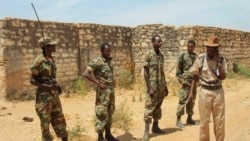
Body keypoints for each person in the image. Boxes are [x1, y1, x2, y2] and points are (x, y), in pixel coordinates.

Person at [189, 35, 227, 141]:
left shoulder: (222, 60)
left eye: (212, 48)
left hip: (218, 92)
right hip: (205, 91)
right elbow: (195, 75)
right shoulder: (201, 59)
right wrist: (191, 92)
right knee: (204, 121)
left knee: (219, 121)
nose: (210, 49)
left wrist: (218, 63)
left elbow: (223, 77)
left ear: (216, 48)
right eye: (208, 47)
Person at [30, 36, 68, 141]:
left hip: (54, 96)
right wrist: (48, 86)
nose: (55, 46)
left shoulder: (51, 59)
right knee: (45, 123)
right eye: (52, 45)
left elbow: (52, 77)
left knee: (60, 119)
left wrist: (58, 86)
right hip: (44, 98)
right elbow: (32, 80)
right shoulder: (39, 61)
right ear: (46, 47)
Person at [83, 43, 119, 141]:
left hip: (111, 92)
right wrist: (98, 83)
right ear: (102, 51)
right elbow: (86, 73)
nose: (109, 52)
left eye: (110, 50)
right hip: (102, 93)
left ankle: (108, 134)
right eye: (107, 51)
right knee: (101, 113)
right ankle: (100, 137)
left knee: (110, 112)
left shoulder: (109, 61)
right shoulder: (97, 61)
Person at [142, 35, 168, 141]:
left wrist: (165, 86)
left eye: (161, 41)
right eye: (158, 41)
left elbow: (162, 73)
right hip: (152, 87)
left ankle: (156, 126)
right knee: (149, 108)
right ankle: (146, 132)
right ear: (153, 42)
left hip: (160, 87)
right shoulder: (148, 54)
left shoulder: (161, 56)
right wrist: (149, 88)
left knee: (158, 107)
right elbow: (145, 72)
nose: (160, 43)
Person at [175, 40, 198, 128]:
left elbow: (197, 70)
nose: (190, 48)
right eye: (188, 46)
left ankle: (189, 118)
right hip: (185, 82)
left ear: (194, 47)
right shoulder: (182, 56)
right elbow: (178, 71)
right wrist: (181, 81)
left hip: (194, 82)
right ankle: (178, 120)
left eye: (192, 47)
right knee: (182, 100)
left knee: (192, 100)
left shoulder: (196, 57)